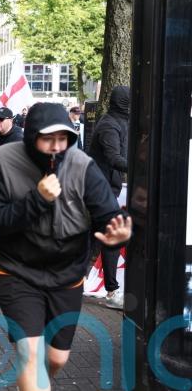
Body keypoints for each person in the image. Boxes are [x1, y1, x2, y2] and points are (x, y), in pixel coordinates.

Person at [0, 103, 132, 391]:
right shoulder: (3, 160)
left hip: (67, 276)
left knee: (56, 358)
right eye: (48, 139)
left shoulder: (82, 165)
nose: (56, 146)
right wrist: (37, 199)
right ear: (32, 137)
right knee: (30, 355)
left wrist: (119, 235)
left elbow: (108, 215)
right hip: (18, 273)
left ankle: (38, 382)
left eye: (62, 139)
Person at [87, 85, 130, 310]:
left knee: (92, 237)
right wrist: (144, 166)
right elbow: (114, 157)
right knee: (110, 235)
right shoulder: (109, 126)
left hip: (105, 188)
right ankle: (112, 291)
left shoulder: (120, 122)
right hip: (98, 189)